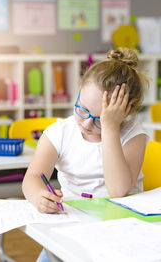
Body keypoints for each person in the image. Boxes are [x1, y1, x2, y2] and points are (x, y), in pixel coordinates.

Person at [22, 47, 149, 262]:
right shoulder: (59, 132)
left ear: (125, 112)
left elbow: (118, 189)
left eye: (100, 118)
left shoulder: (133, 136)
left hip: (120, 230)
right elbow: (33, 177)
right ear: (79, 92)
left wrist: (110, 128)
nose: (87, 123)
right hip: (72, 226)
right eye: (82, 109)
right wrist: (38, 197)